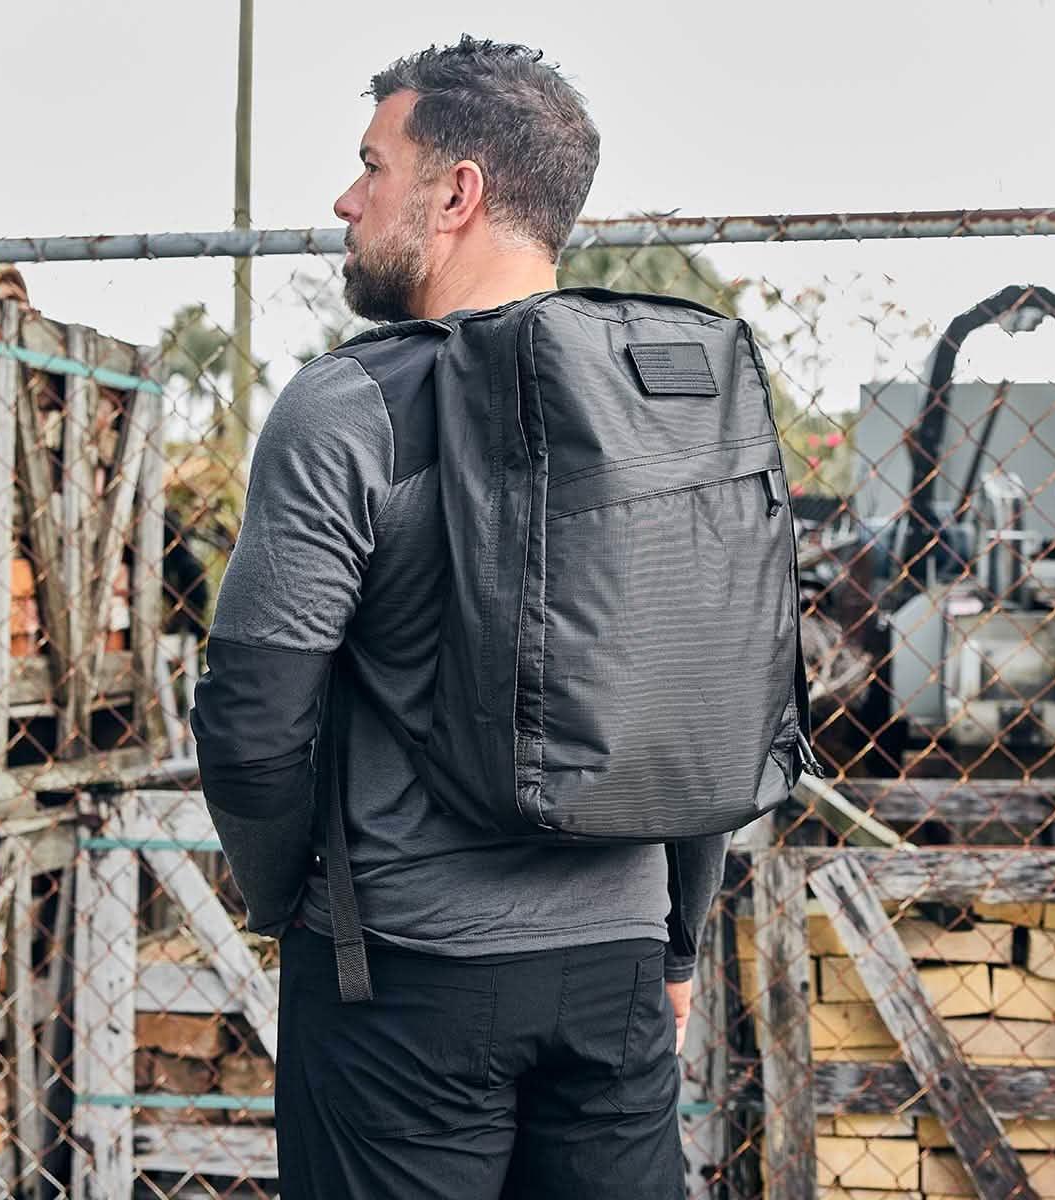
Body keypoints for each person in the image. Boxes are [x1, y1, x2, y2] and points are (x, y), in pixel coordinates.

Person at [192, 35, 729, 1200]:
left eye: (373, 165)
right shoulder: (668, 398)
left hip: (406, 978)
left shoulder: (350, 403)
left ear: (456, 194)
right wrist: (674, 939)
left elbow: (251, 709)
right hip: (621, 974)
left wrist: (304, 905)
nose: (346, 197)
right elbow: (701, 699)